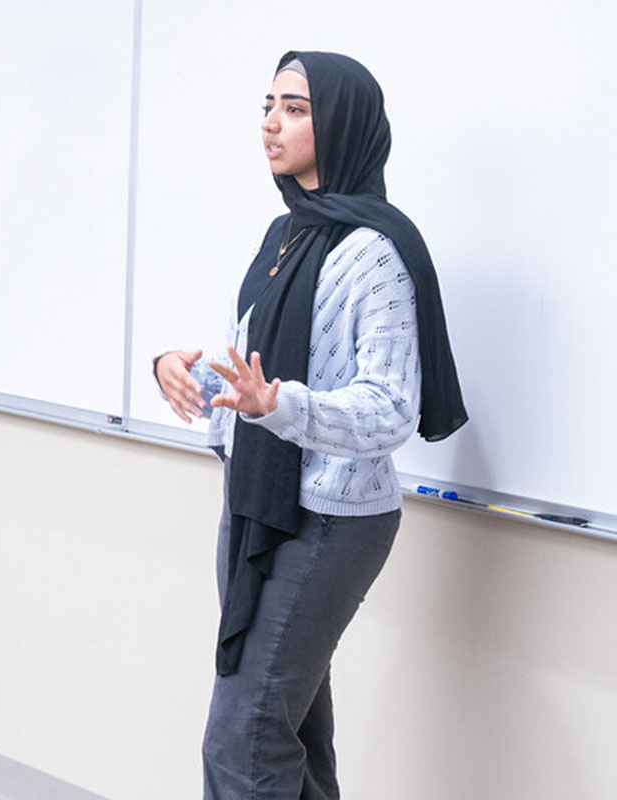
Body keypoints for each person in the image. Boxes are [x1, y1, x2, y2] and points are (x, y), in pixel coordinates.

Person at [155, 51, 467, 800]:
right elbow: (255, 381)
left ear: (344, 124)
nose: (271, 122)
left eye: (296, 108)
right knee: (290, 731)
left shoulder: (378, 253)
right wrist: (176, 365)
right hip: (258, 504)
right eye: (269, 104)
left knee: (244, 736)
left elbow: (389, 407)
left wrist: (280, 406)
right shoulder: (284, 237)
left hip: (330, 519)